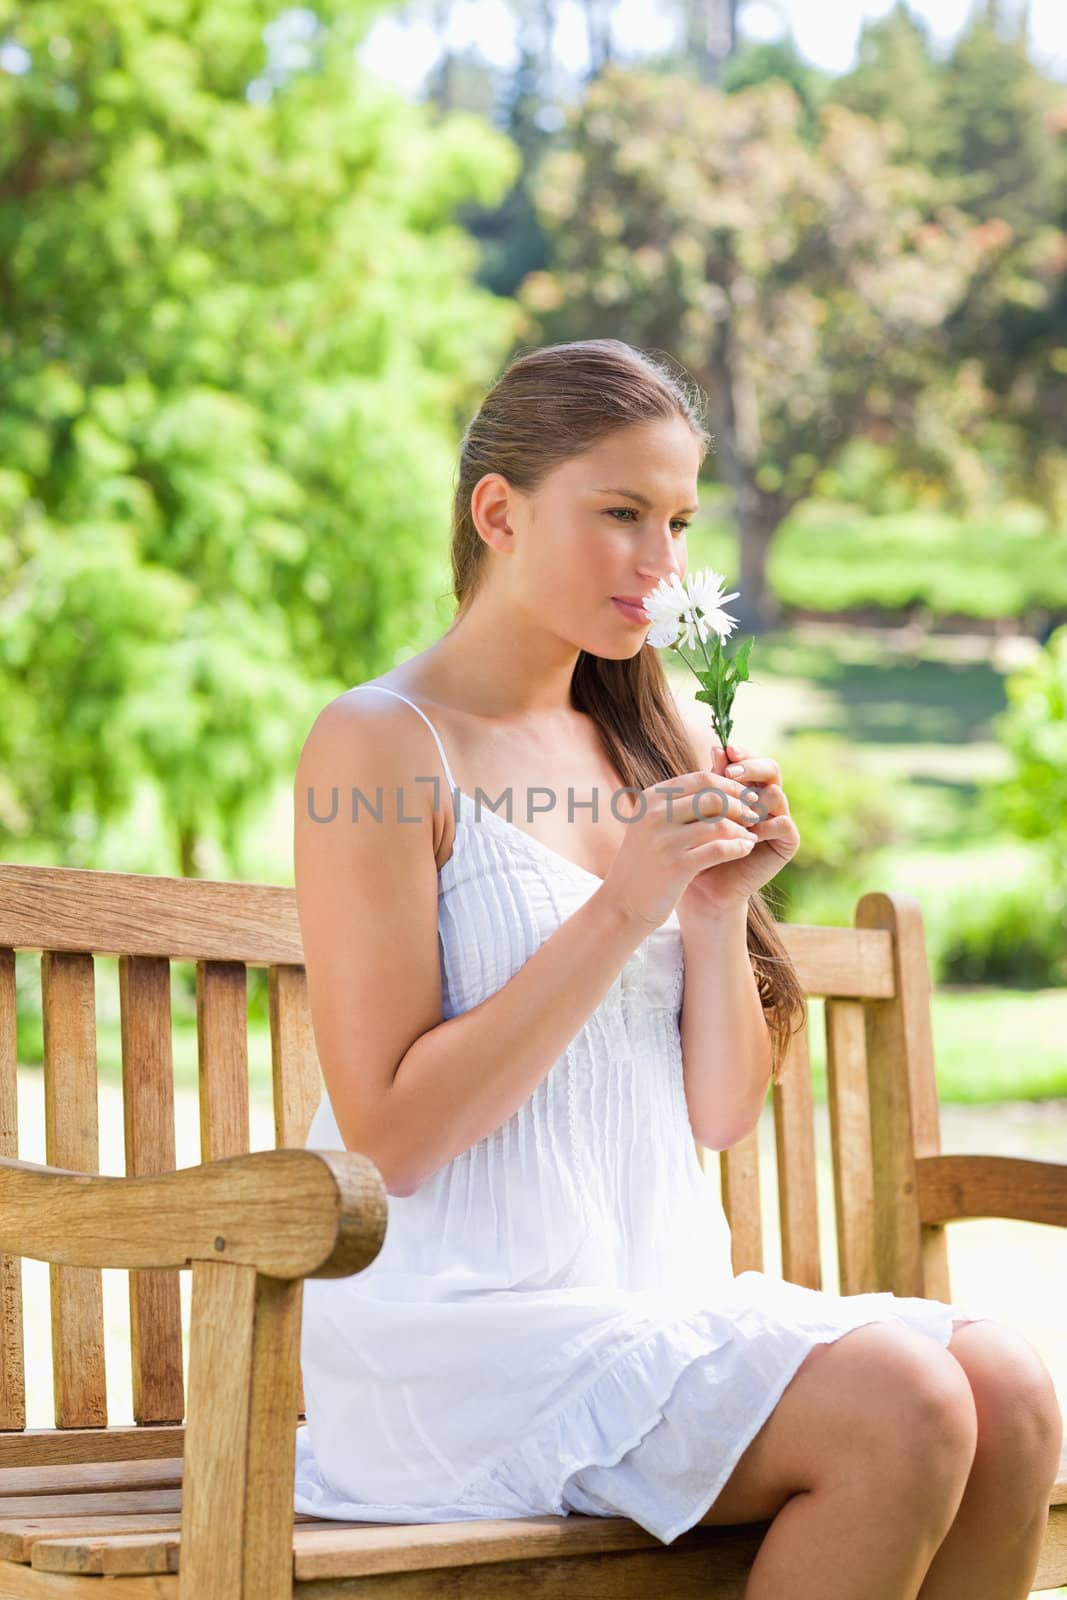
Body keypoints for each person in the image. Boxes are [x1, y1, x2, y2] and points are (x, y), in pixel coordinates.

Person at [291, 339, 1062, 1598]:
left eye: (680, 521)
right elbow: (388, 1139)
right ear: (499, 512)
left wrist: (712, 916)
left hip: (642, 1304)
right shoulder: (382, 741)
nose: (662, 563)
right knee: (901, 1404)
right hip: (454, 1335)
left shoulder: (659, 736)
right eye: (621, 515)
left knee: (1014, 1394)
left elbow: (714, 1116)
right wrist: (621, 903)